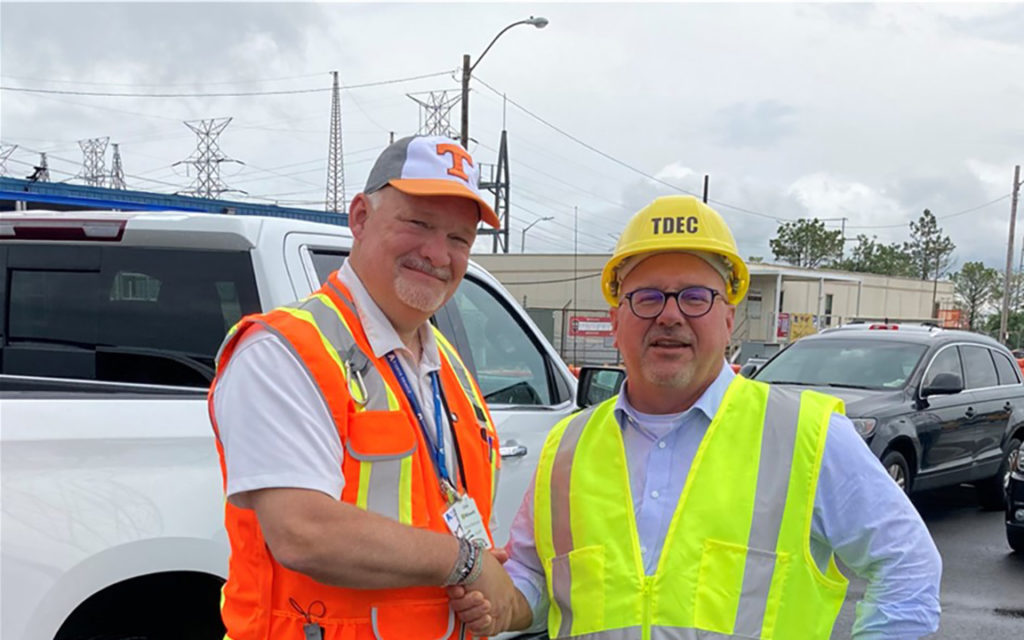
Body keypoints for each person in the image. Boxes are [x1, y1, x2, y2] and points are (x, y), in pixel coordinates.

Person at [449, 195, 942, 638]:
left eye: (694, 296)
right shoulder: (567, 447)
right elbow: (537, 584)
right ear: (617, 321)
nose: (669, 315)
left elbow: (909, 570)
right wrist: (501, 605)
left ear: (728, 318)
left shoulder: (805, 436)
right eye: (647, 297)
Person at [209, 135, 520, 640]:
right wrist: (464, 562)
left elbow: (446, 519)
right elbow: (303, 532)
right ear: (359, 216)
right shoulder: (284, 350)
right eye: (418, 223)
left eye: (460, 239)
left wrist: (482, 578)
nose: (438, 253)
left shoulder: (451, 370)